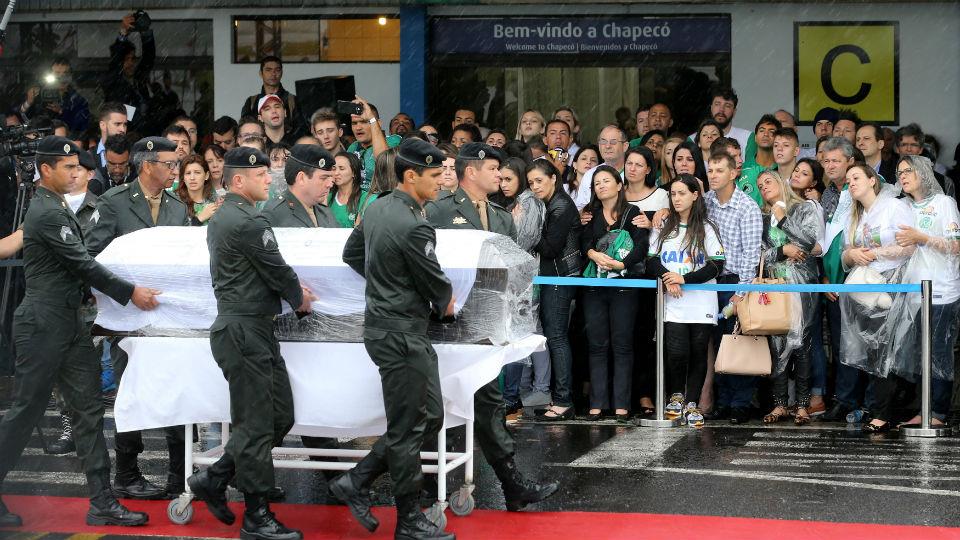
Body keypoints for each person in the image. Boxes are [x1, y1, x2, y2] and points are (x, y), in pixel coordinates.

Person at [0, 136, 160, 528]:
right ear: (46, 170)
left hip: (69, 322)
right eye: (68, 168)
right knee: (26, 412)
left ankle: (102, 500)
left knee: (88, 411)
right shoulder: (47, 212)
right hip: (43, 324)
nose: (77, 173)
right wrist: (130, 293)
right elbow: (82, 264)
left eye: (78, 167)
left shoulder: (55, 206)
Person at [329, 137, 457, 540]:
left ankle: (357, 479)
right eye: (434, 176)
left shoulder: (378, 207)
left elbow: (353, 255)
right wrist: (437, 300)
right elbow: (441, 292)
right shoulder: (415, 225)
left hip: (388, 329)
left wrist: (387, 283)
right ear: (411, 175)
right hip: (402, 333)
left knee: (429, 416)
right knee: (407, 429)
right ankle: (408, 520)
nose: (440, 182)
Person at [187, 146, 316, 540]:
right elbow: (277, 269)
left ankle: (217, 476)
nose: (268, 180)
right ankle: (257, 516)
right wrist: (300, 299)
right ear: (238, 179)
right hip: (244, 330)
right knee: (257, 424)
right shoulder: (246, 222)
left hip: (252, 329)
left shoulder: (230, 216)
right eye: (261, 175)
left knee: (279, 416)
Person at [86, 137, 190, 498]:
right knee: (131, 392)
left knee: (177, 390)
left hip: (169, 316)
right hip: (127, 314)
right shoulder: (114, 204)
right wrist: (127, 290)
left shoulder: (178, 207)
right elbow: (91, 257)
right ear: (147, 165)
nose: (174, 170)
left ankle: (180, 475)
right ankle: (127, 473)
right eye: (169, 163)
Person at [838, 164, 913, 432]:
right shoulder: (855, 214)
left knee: (888, 350)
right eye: (848, 181)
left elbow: (911, 245)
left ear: (873, 180)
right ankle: (879, 409)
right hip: (866, 290)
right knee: (874, 350)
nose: (851, 183)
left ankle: (884, 413)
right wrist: (853, 256)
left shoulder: (894, 206)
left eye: (856, 177)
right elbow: (846, 254)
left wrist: (874, 254)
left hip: (893, 286)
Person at [647, 174, 725, 427]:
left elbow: (716, 265)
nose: (676, 198)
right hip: (673, 300)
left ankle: (692, 403)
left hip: (701, 300)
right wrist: (670, 280)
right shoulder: (665, 226)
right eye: (673, 194)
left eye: (682, 193)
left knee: (698, 352)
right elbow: (652, 260)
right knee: (676, 352)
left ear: (695, 195)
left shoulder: (707, 227)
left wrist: (685, 279)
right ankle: (677, 396)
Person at [890, 155, 960, 427]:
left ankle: (938, 412)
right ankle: (923, 408)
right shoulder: (902, 207)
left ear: (923, 173)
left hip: (942, 289)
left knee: (939, 351)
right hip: (912, 291)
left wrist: (923, 238)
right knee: (918, 351)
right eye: (899, 172)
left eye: (909, 170)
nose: (903, 176)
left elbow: (956, 245)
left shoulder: (944, 204)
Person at [580, 165, 649, 421]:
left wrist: (622, 264)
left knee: (622, 345)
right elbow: (583, 241)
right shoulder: (591, 213)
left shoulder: (633, 212)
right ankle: (597, 403)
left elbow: (642, 244)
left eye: (606, 181)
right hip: (595, 286)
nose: (601, 186)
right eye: (596, 183)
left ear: (619, 185)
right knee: (597, 344)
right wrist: (593, 253)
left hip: (625, 284)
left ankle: (622, 404)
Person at [755, 170, 822, 425]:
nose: (764, 188)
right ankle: (780, 404)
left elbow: (809, 243)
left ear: (782, 183)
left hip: (802, 287)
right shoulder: (761, 219)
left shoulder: (804, 209)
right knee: (776, 346)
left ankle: (802, 406)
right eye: (760, 186)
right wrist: (782, 250)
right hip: (774, 287)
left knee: (802, 345)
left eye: (768, 182)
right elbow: (759, 256)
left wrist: (783, 219)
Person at [702, 152, 762, 424]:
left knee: (738, 340)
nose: (713, 174)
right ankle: (723, 401)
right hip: (709, 282)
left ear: (733, 173)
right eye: (710, 170)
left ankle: (741, 402)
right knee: (716, 341)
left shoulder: (746, 207)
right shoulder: (705, 202)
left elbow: (752, 253)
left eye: (718, 170)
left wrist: (742, 291)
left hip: (735, 281)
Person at [528, 159, 581, 421]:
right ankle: (559, 397)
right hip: (554, 277)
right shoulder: (551, 204)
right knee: (554, 335)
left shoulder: (561, 206)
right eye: (531, 183)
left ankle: (563, 400)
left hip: (561, 278)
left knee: (557, 336)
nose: (535, 187)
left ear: (553, 178)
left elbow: (551, 248)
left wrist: (527, 232)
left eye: (539, 181)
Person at [101, 13, 155, 132]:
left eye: (133, 58)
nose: (131, 63)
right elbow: (116, 58)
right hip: (123, 137)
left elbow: (149, 59)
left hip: (143, 136)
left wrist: (145, 32)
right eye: (127, 59)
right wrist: (123, 32)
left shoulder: (138, 78)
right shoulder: (114, 79)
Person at [21, 57, 90, 133]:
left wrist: (62, 111)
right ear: (50, 76)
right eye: (57, 73)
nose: (61, 77)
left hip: (65, 141)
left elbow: (82, 125)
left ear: (70, 76)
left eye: (65, 73)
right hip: (40, 140)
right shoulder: (38, 94)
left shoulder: (78, 100)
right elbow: (22, 120)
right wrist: (28, 102)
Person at [240, 56, 304, 136]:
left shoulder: (293, 101)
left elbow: (301, 130)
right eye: (268, 70)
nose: (273, 74)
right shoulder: (252, 102)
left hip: (288, 146)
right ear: (261, 73)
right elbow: (245, 130)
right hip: (259, 146)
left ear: (282, 72)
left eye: (277, 70)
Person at [347, 97, 401, 191]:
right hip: (358, 202)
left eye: (364, 122)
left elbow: (382, 160)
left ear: (378, 123)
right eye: (354, 123)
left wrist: (371, 118)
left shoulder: (393, 140)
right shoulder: (353, 147)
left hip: (382, 200)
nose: (358, 127)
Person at [330, 151, 376, 227]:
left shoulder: (367, 199)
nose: (336, 173)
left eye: (341, 169)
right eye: (334, 169)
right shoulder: (326, 198)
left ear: (354, 172)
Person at [176, 154, 220, 226]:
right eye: (188, 173)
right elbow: (174, 232)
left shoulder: (215, 200)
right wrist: (199, 219)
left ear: (206, 175)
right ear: (183, 178)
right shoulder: (175, 201)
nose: (192, 178)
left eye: (197, 172)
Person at [564, 144, 599, 210]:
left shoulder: (600, 189)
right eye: (584, 159)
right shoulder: (564, 189)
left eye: (593, 160)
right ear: (575, 164)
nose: (588, 162)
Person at [94, 102, 128, 169]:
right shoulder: (87, 157)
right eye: (117, 124)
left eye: (125, 125)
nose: (123, 129)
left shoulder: (133, 156)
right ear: (103, 125)